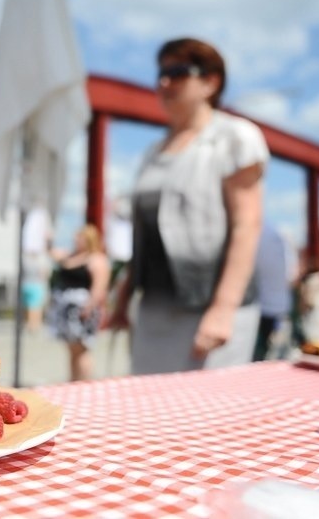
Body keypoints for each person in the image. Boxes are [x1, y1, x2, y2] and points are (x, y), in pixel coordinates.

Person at [108, 37, 268, 374]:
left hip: (210, 312)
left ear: (211, 82)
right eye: (161, 74)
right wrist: (122, 300)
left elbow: (246, 225)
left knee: (206, 414)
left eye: (178, 72)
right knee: (149, 409)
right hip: (153, 310)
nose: (164, 82)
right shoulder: (153, 152)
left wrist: (224, 308)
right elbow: (145, 235)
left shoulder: (235, 137)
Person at [47, 224, 111, 381]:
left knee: (82, 349)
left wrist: (89, 307)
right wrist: (48, 239)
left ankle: (84, 381)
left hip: (82, 309)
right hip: (65, 310)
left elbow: (99, 287)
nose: (76, 240)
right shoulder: (72, 256)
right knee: (71, 348)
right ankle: (74, 380)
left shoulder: (96, 259)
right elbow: (53, 253)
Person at [252, 224, 292, 361]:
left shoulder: (258, 233)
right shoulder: (276, 235)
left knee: (260, 355)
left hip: (262, 306)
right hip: (279, 304)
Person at [21, 203, 53, 331]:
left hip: (30, 283)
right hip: (34, 283)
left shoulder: (28, 259)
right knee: (33, 306)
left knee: (31, 305)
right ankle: (33, 325)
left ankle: (31, 325)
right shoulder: (39, 259)